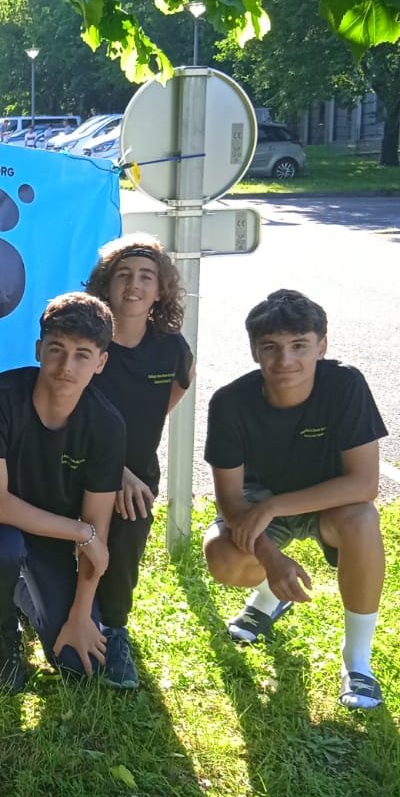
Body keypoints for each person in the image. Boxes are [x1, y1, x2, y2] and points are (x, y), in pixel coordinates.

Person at [203, 289, 388, 709]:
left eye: (299, 346)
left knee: (362, 519)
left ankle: (357, 661)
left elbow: (364, 483)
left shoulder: (345, 384)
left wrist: (273, 508)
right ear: (254, 351)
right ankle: (269, 597)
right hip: (257, 502)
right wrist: (271, 558)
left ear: (322, 345)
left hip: (328, 501)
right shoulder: (230, 402)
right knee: (224, 560)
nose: (285, 361)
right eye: (270, 347)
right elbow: (231, 501)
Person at [0, 292, 136, 691]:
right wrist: (81, 534)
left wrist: (81, 615)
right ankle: (3, 634)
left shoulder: (107, 424)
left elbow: (97, 526)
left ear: (101, 362)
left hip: (52, 531)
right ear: (38, 349)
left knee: (77, 665)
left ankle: (24, 592)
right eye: (57, 349)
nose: (67, 366)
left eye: (83, 354)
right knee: (3, 548)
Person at [84, 235, 194, 663]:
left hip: (137, 479)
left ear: (161, 289)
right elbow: (68, 414)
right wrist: (113, 470)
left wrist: (129, 470)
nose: (133, 284)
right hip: (81, 466)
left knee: (127, 530)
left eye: (146, 276)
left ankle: (114, 629)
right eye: (123, 274)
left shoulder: (172, 349)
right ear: (106, 285)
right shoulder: (88, 340)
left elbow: (175, 392)